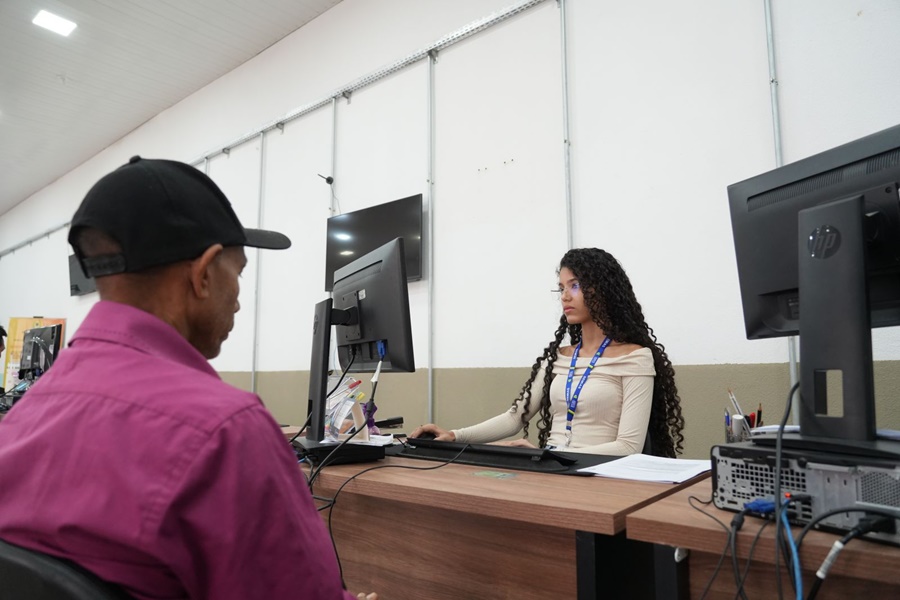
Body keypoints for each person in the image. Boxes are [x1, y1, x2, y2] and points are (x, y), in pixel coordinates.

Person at [0, 157, 377, 600]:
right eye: (237, 273)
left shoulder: (23, 418)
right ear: (203, 274)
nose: (238, 298)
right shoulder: (225, 431)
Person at [412, 247, 685, 457]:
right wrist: (454, 436)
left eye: (574, 286)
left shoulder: (635, 357)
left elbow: (628, 447)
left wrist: (547, 456)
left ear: (603, 291)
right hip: (552, 469)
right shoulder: (560, 357)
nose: (565, 296)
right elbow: (514, 418)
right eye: (561, 288)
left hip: (598, 479)